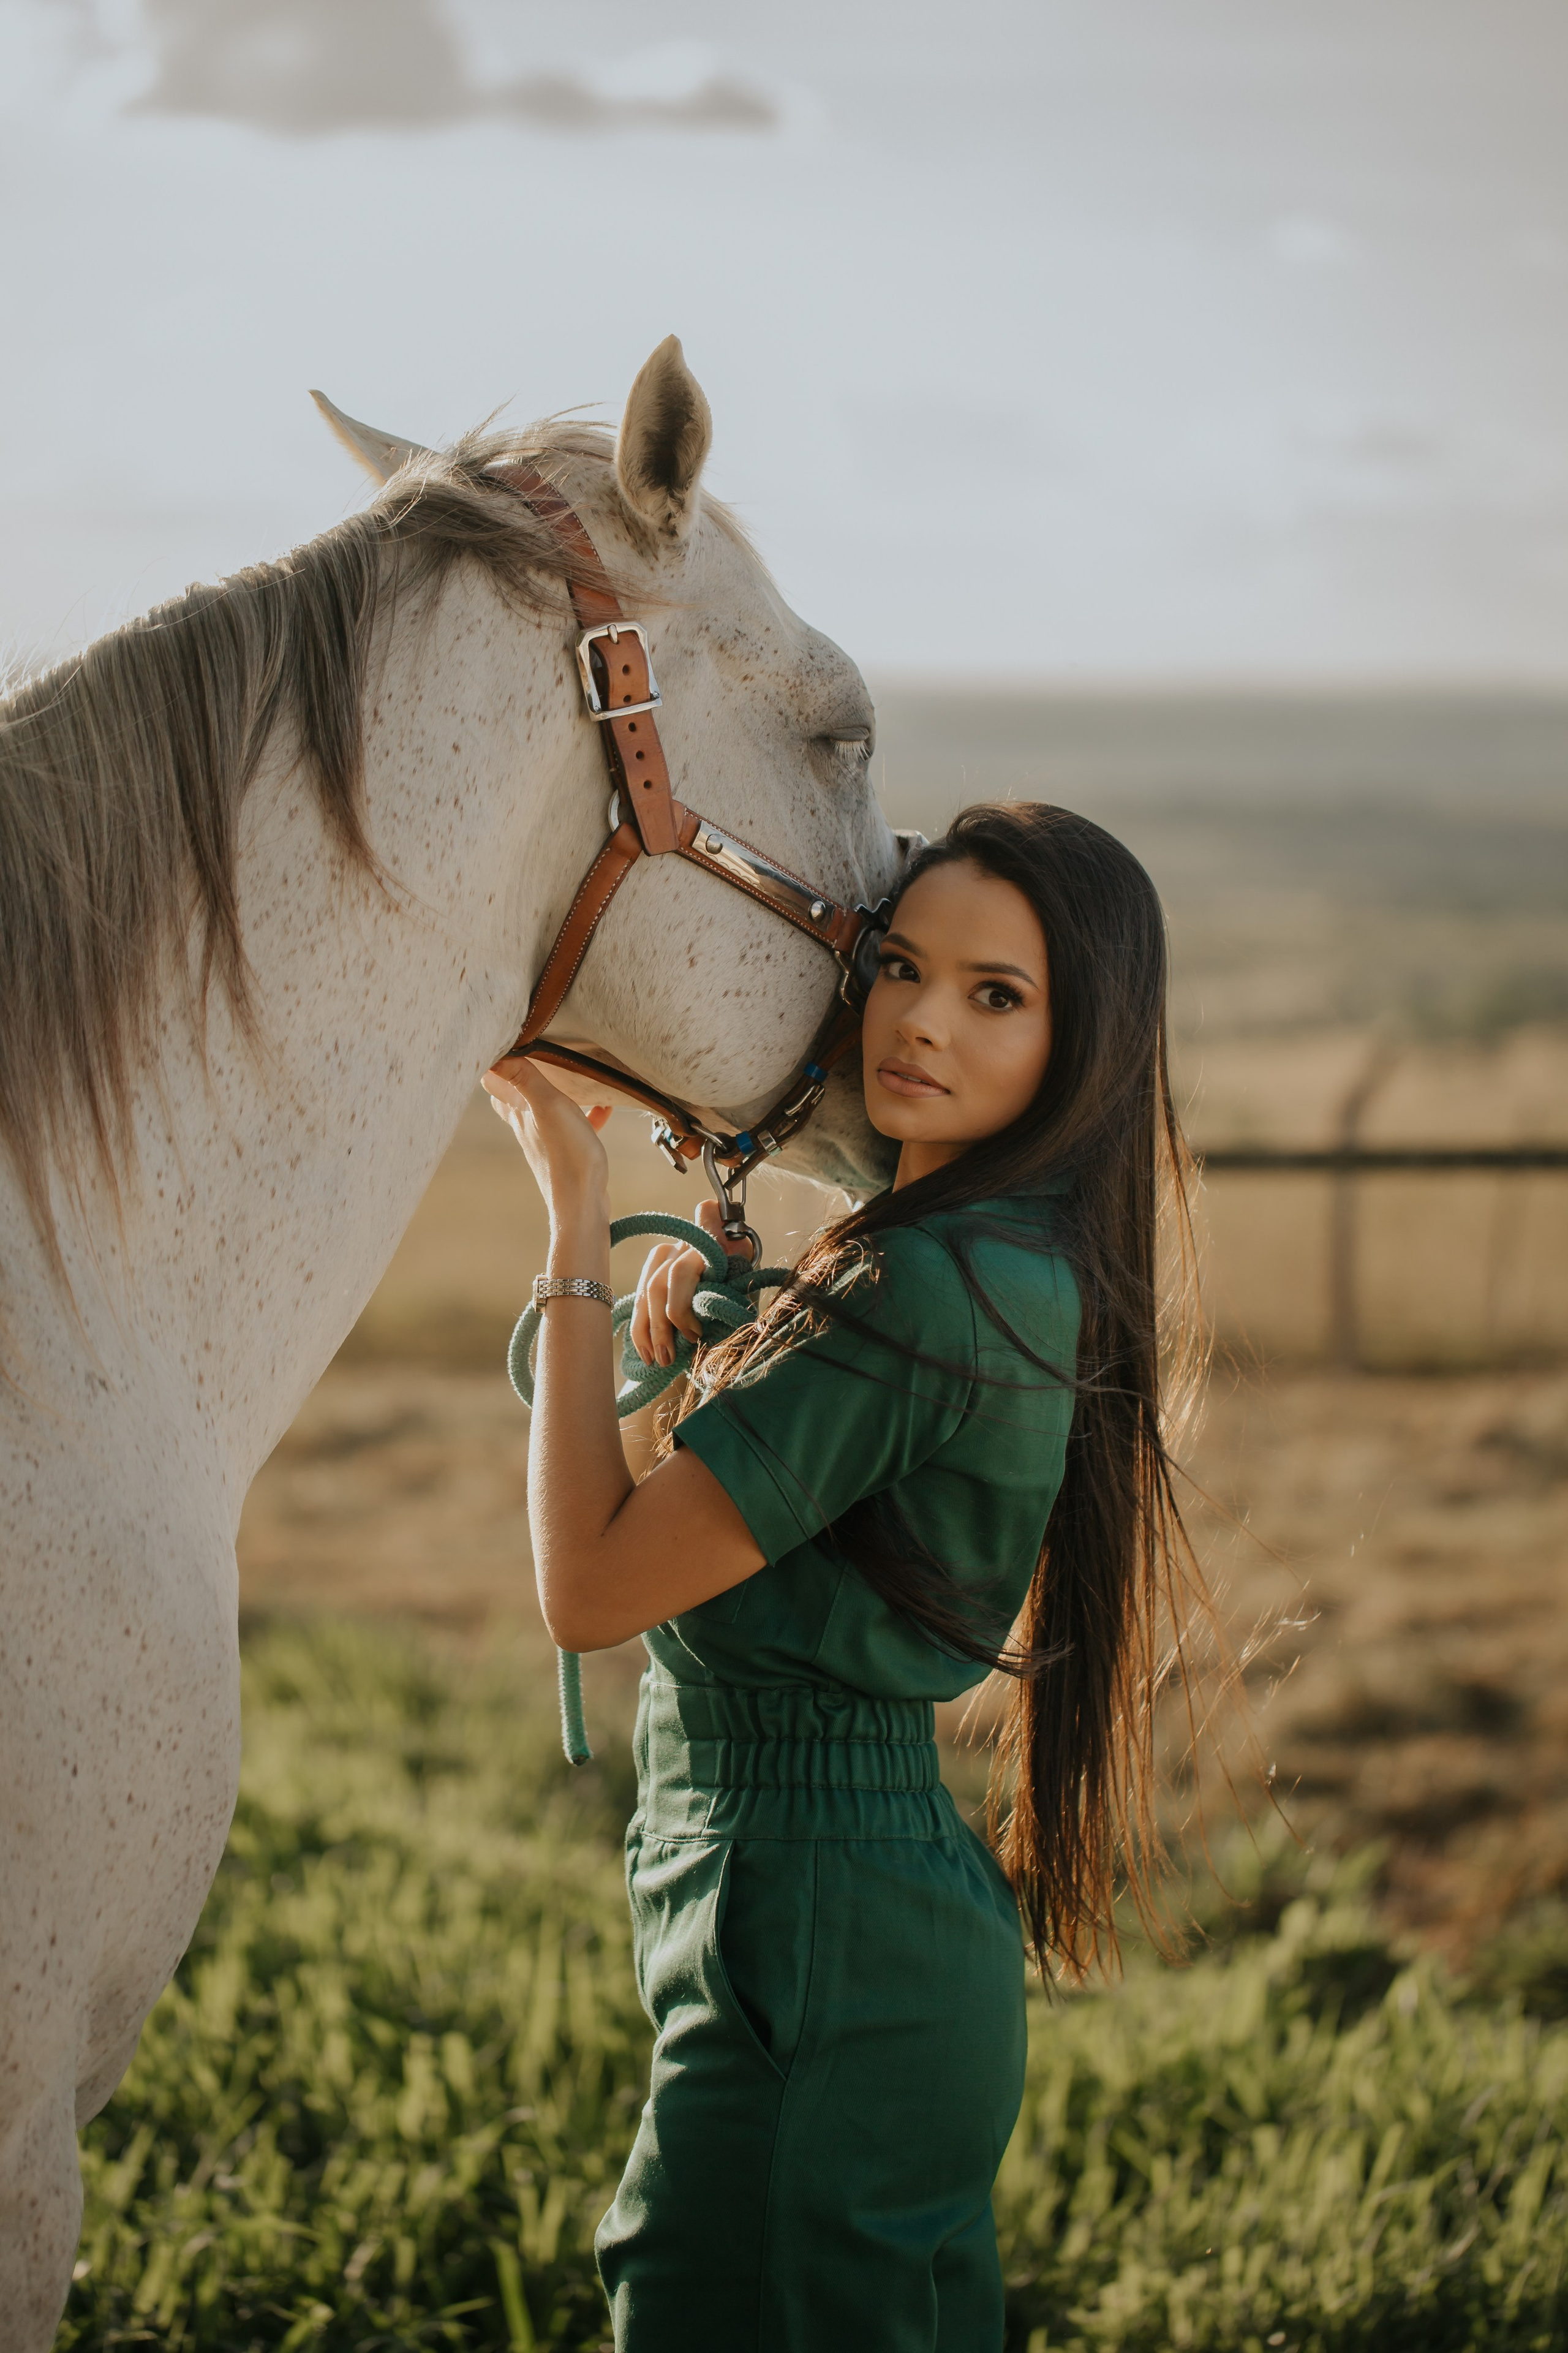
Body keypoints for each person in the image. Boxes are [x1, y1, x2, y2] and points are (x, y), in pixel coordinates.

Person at [483, 800, 1207, 2353]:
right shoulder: (969, 1261)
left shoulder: (926, 1289)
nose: (918, 1022)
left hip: (812, 1916)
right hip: (838, 1908)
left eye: (994, 995)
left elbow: (593, 1588)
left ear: (1081, 1040)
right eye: (897, 966)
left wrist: (572, 1221)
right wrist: (720, 1343)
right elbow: (726, 1538)